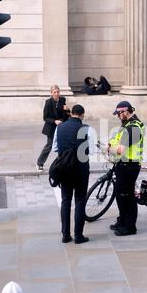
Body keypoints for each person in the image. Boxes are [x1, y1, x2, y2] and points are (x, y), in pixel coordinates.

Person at [55, 105, 90, 244]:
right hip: (80, 169)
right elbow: (89, 150)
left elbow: (55, 147)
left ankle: (65, 234)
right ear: (82, 115)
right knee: (80, 201)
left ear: (71, 114)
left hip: (64, 168)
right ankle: (78, 236)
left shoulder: (60, 127)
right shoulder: (84, 128)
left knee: (66, 201)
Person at [108, 101, 144, 236]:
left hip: (129, 166)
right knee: (120, 195)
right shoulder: (127, 125)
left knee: (127, 196)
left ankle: (130, 227)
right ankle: (122, 220)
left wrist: (108, 148)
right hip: (123, 165)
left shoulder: (133, 128)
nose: (118, 116)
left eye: (119, 113)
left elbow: (120, 150)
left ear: (125, 112)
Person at [36, 85, 70, 171]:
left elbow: (66, 113)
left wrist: (68, 109)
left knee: (63, 146)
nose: (57, 94)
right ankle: (39, 163)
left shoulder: (63, 100)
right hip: (52, 127)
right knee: (49, 146)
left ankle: (63, 163)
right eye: (54, 92)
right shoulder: (48, 102)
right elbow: (45, 117)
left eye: (58, 92)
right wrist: (54, 121)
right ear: (51, 93)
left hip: (62, 127)